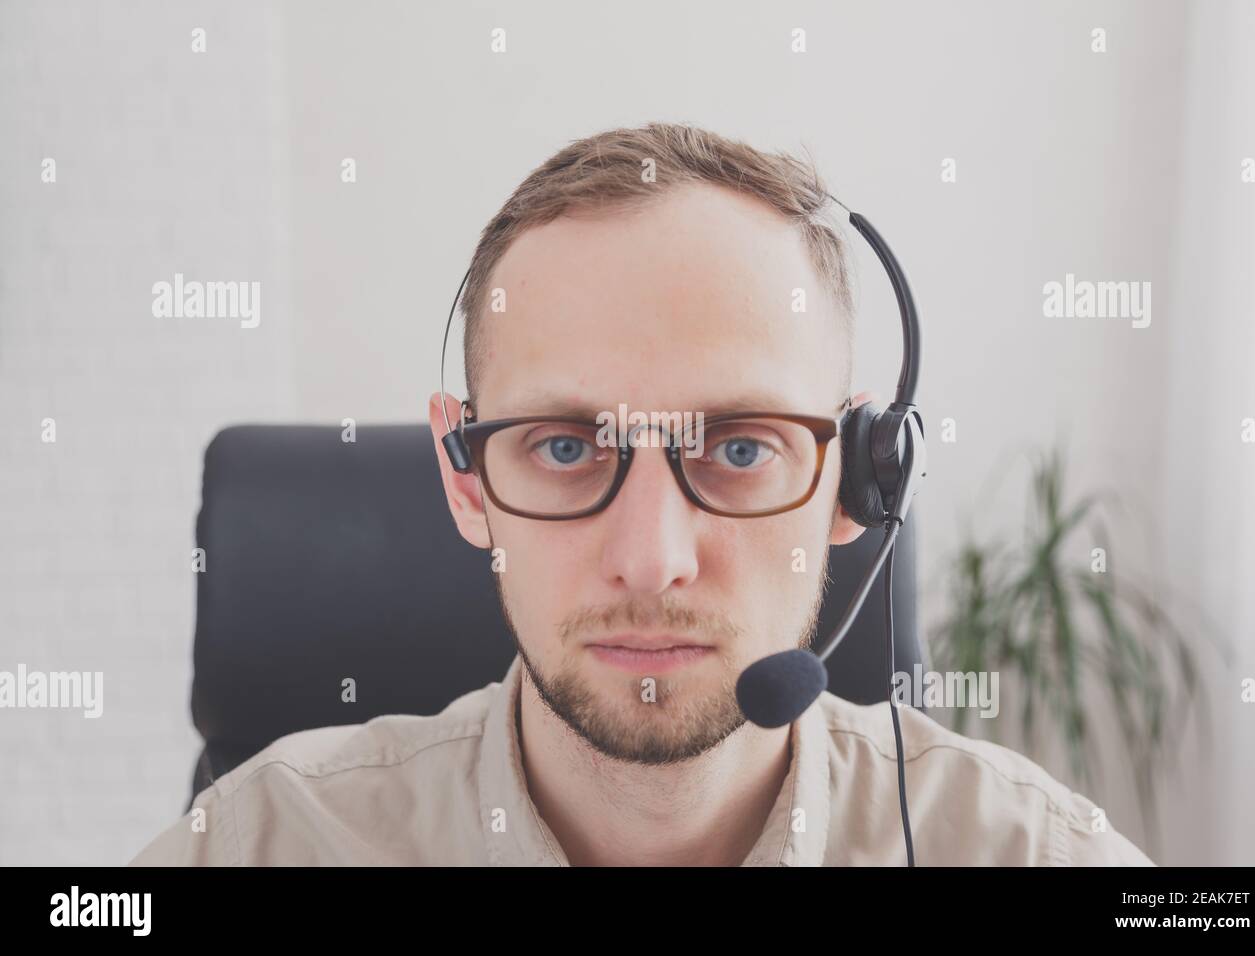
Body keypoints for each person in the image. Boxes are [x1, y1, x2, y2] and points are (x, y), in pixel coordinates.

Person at [131, 122, 1152, 866]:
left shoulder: (1032, 853)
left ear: (853, 476)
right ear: (464, 475)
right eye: (567, 445)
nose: (652, 555)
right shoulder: (261, 845)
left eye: (739, 448)